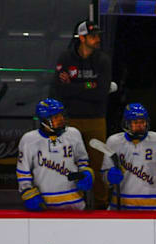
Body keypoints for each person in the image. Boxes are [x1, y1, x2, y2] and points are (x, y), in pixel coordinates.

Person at [53, 20, 112, 209]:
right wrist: (89, 86)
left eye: (98, 36)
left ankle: (102, 206)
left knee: (98, 164)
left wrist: (75, 86)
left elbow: (101, 92)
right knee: (71, 164)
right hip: (71, 121)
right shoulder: (66, 58)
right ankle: (74, 204)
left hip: (97, 120)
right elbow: (61, 91)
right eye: (93, 36)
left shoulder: (103, 60)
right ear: (82, 38)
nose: (97, 39)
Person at [16, 98, 93, 211]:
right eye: (56, 117)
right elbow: (23, 173)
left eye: (61, 115)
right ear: (44, 121)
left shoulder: (73, 134)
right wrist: (28, 193)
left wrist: (86, 173)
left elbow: (82, 161)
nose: (61, 119)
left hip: (75, 204)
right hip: (45, 205)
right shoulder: (29, 139)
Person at [102, 103, 156, 210]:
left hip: (152, 206)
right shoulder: (113, 141)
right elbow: (105, 178)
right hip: (121, 206)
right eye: (135, 122)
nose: (140, 125)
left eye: (142, 122)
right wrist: (109, 177)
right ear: (126, 123)